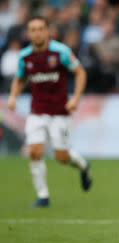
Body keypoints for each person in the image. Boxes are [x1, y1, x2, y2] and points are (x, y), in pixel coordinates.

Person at [7, 16, 92, 207]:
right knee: (35, 152)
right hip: (37, 112)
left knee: (61, 157)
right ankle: (43, 196)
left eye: (40, 29)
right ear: (28, 33)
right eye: (33, 29)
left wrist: (76, 98)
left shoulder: (60, 52)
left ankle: (84, 166)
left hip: (59, 113)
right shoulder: (25, 56)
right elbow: (20, 78)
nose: (37, 33)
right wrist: (13, 96)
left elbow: (80, 72)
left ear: (47, 31)